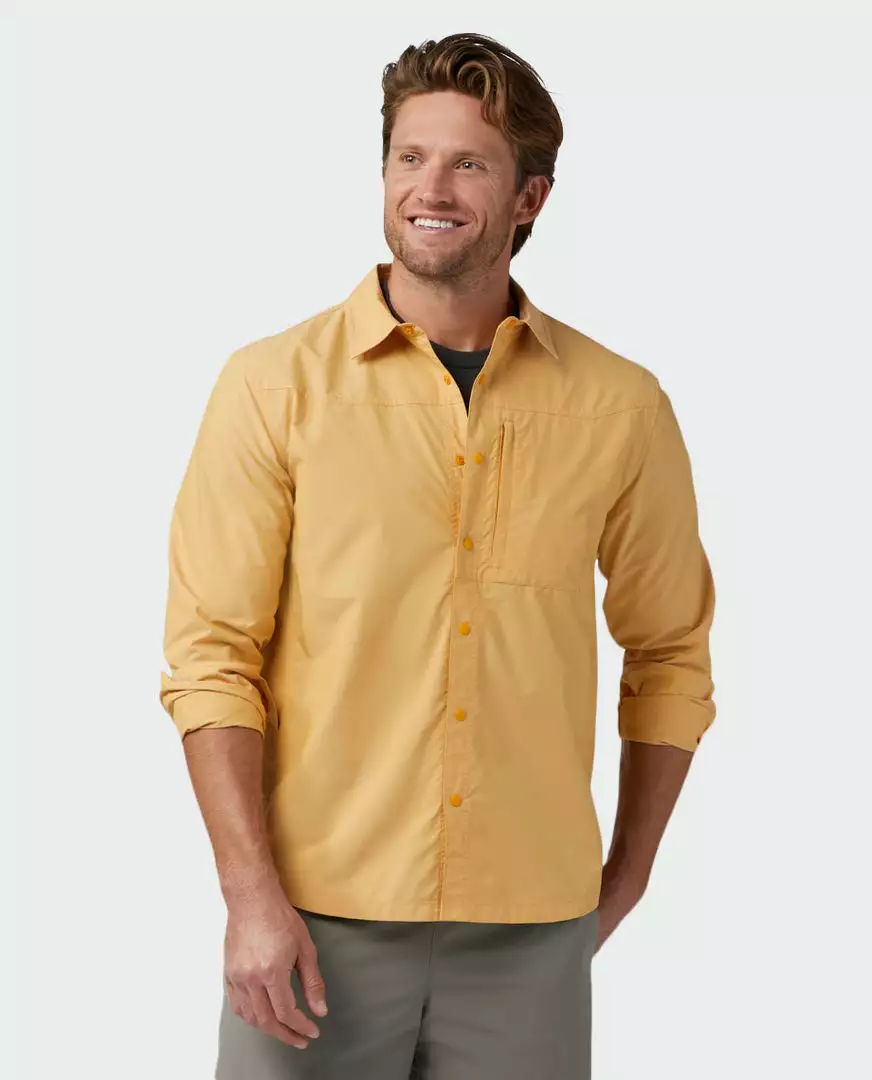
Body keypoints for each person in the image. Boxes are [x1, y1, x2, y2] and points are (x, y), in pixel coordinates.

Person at [159, 31, 716, 1080]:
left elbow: (671, 653)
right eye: (409, 157)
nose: (432, 188)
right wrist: (248, 895)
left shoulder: (620, 407)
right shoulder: (272, 388)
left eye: (469, 163)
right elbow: (213, 657)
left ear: (528, 198)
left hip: (531, 932)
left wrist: (627, 876)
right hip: (310, 924)